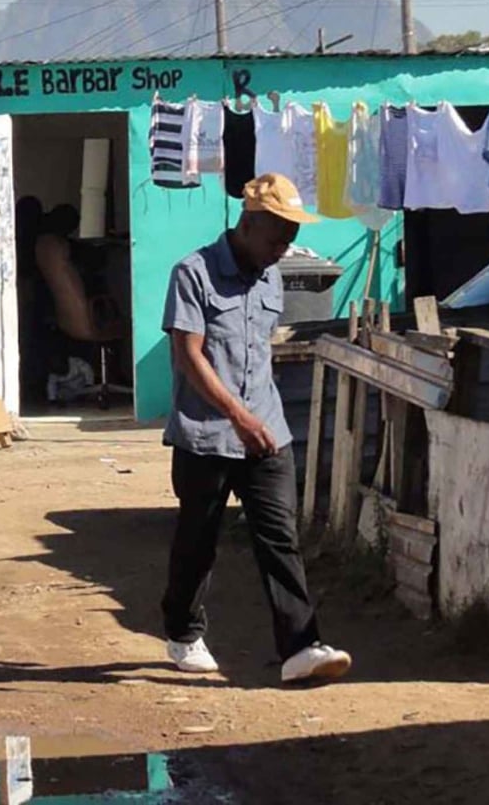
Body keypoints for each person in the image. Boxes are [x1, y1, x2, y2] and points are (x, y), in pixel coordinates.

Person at [160, 173, 352, 685]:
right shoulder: (193, 273)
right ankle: (183, 632)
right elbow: (186, 354)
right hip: (206, 435)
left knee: (279, 537)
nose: (283, 248)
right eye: (276, 237)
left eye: (290, 238)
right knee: (198, 541)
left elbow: (258, 351)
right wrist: (236, 416)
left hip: (266, 433)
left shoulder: (271, 276)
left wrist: (257, 418)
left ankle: (301, 646)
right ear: (248, 224)